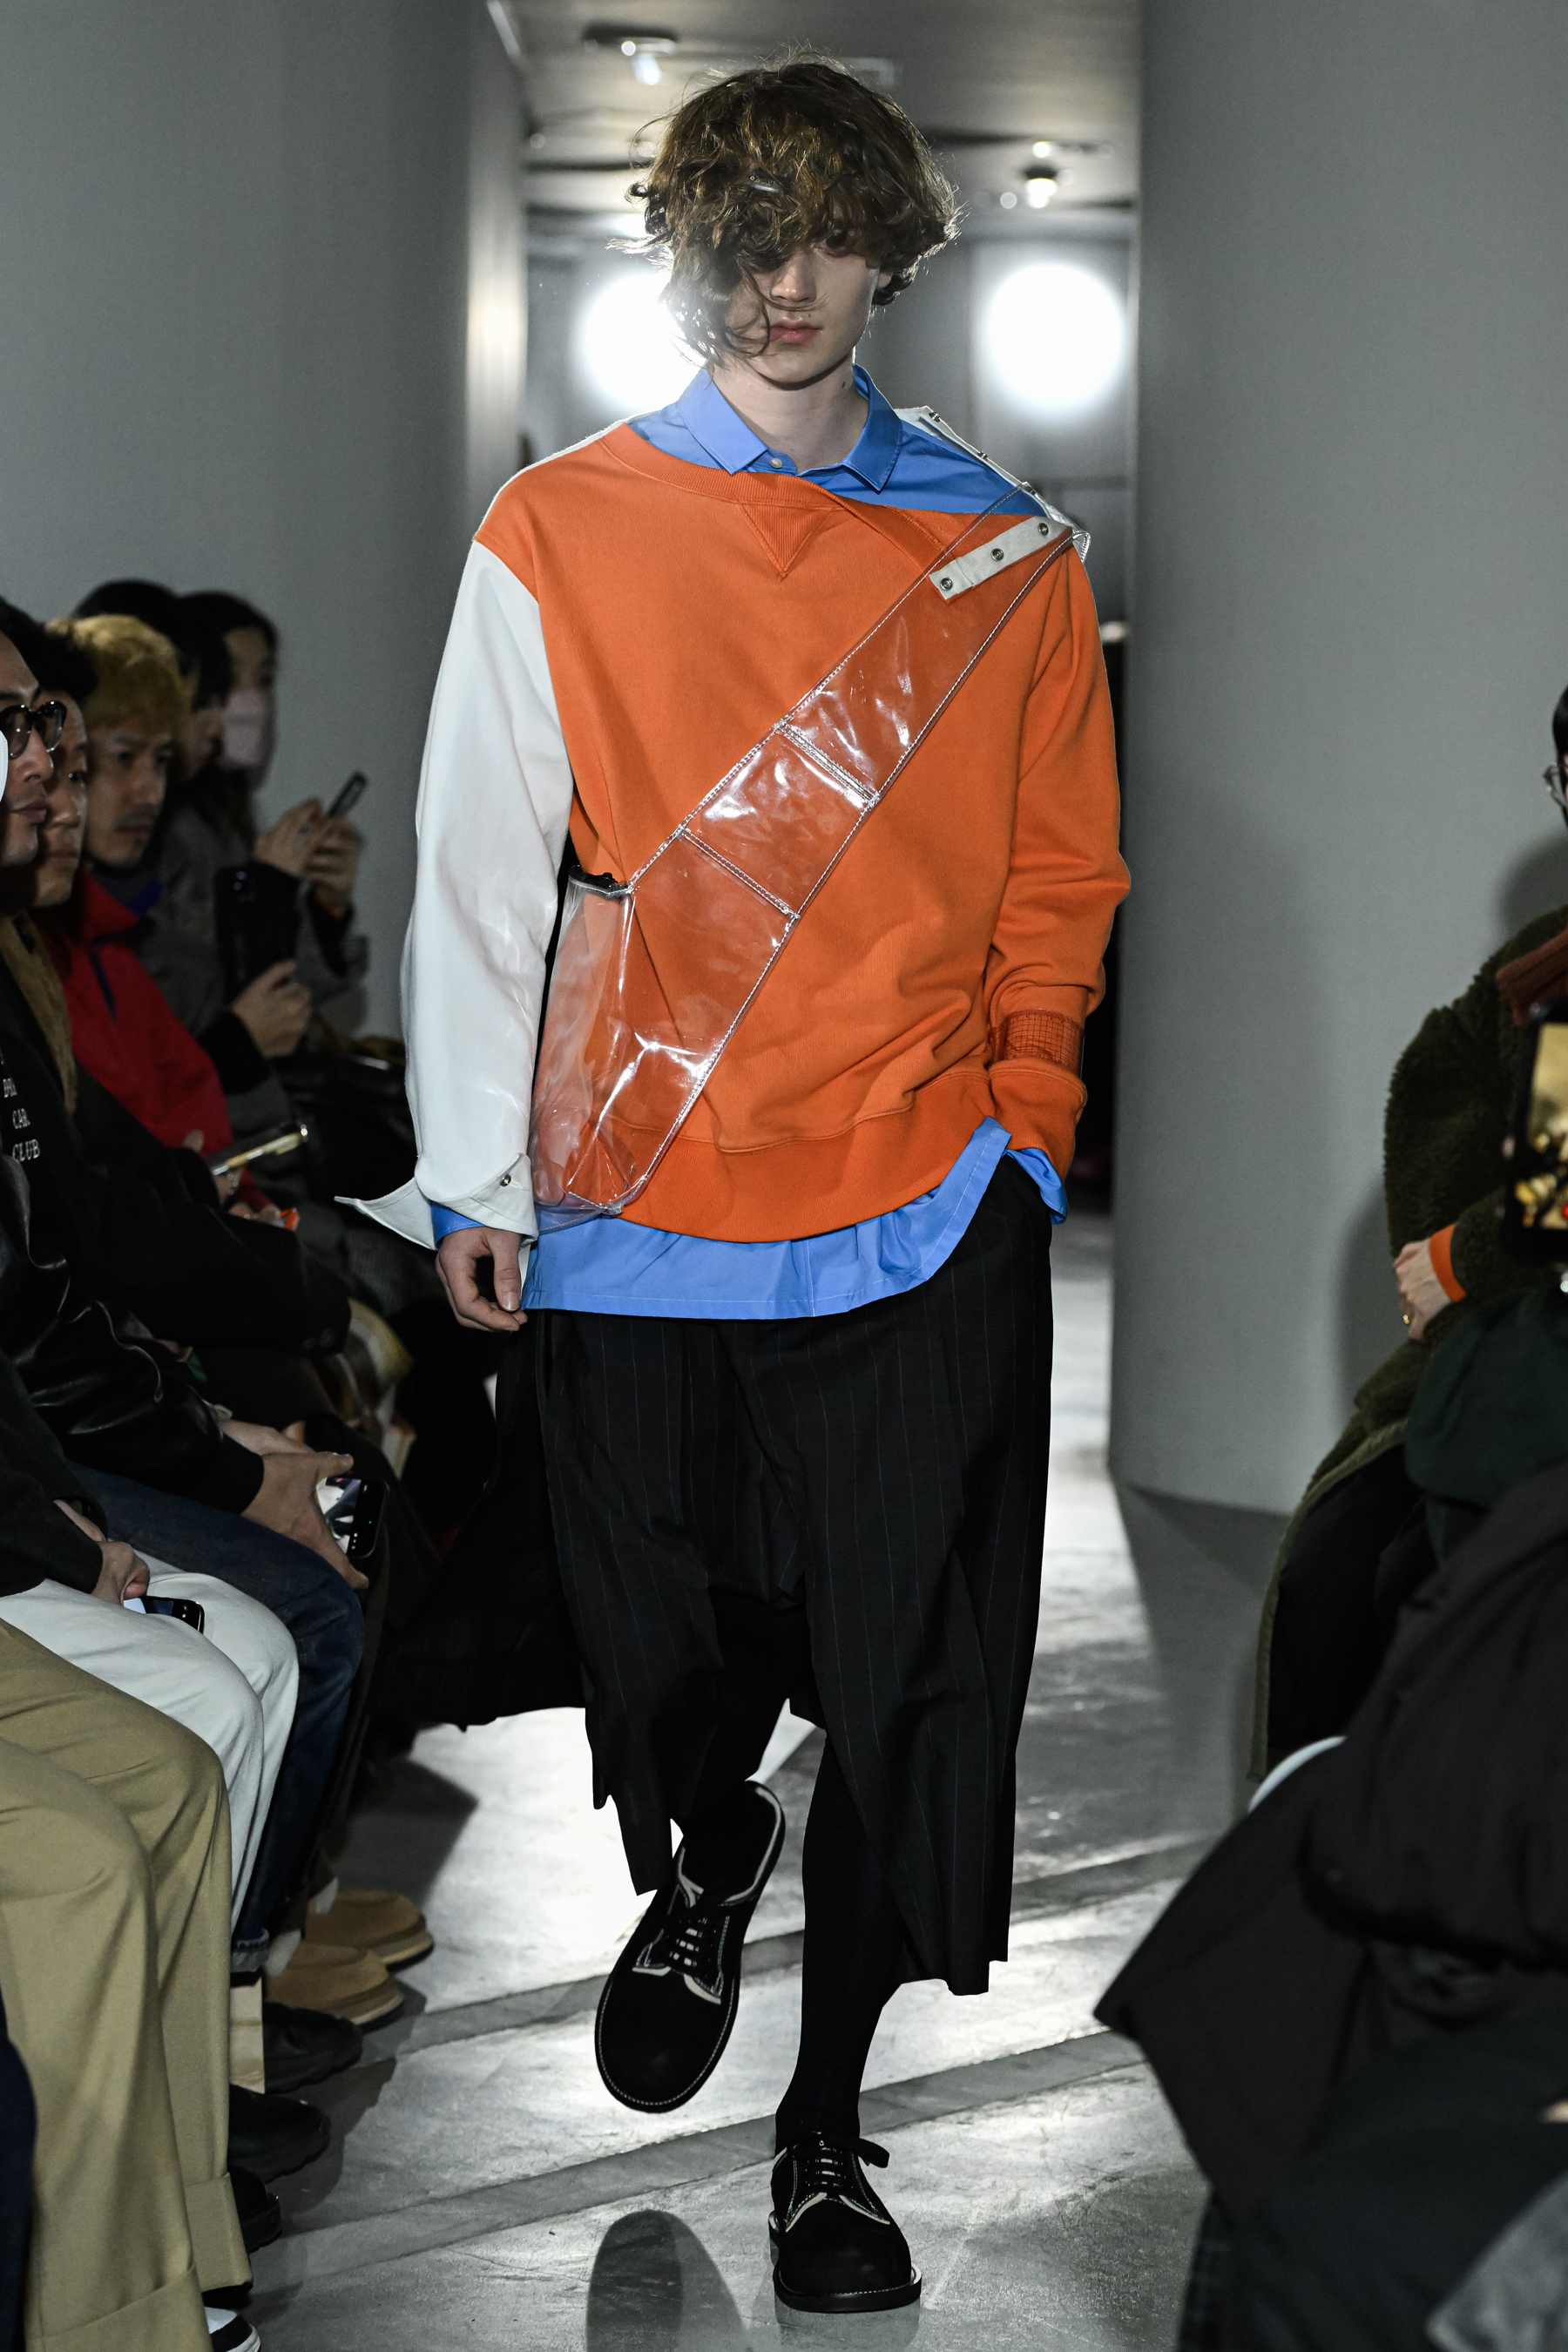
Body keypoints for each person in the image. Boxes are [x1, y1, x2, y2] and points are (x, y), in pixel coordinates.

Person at [368, 57, 1125, 2315]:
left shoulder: (1007, 551)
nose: (787, 282)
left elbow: (1062, 879)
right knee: (656, 1647)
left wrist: (1024, 1134)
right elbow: (482, 869)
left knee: (897, 1678)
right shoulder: (562, 529)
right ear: (692, 256)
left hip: (921, 1210)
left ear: (894, 246)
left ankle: (823, 2134)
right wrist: (472, 1177)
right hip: (635, 1207)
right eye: (745, 238)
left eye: (828, 234)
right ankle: (706, 1850)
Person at [1255, 675, 1568, 1773]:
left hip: (1529, 1360)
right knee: (1345, 1573)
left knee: (1411, 1584)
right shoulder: (1548, 961)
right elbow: (1521, 1157)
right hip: (1522, 1350)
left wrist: (1459, 1261)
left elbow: (1549, 1192)